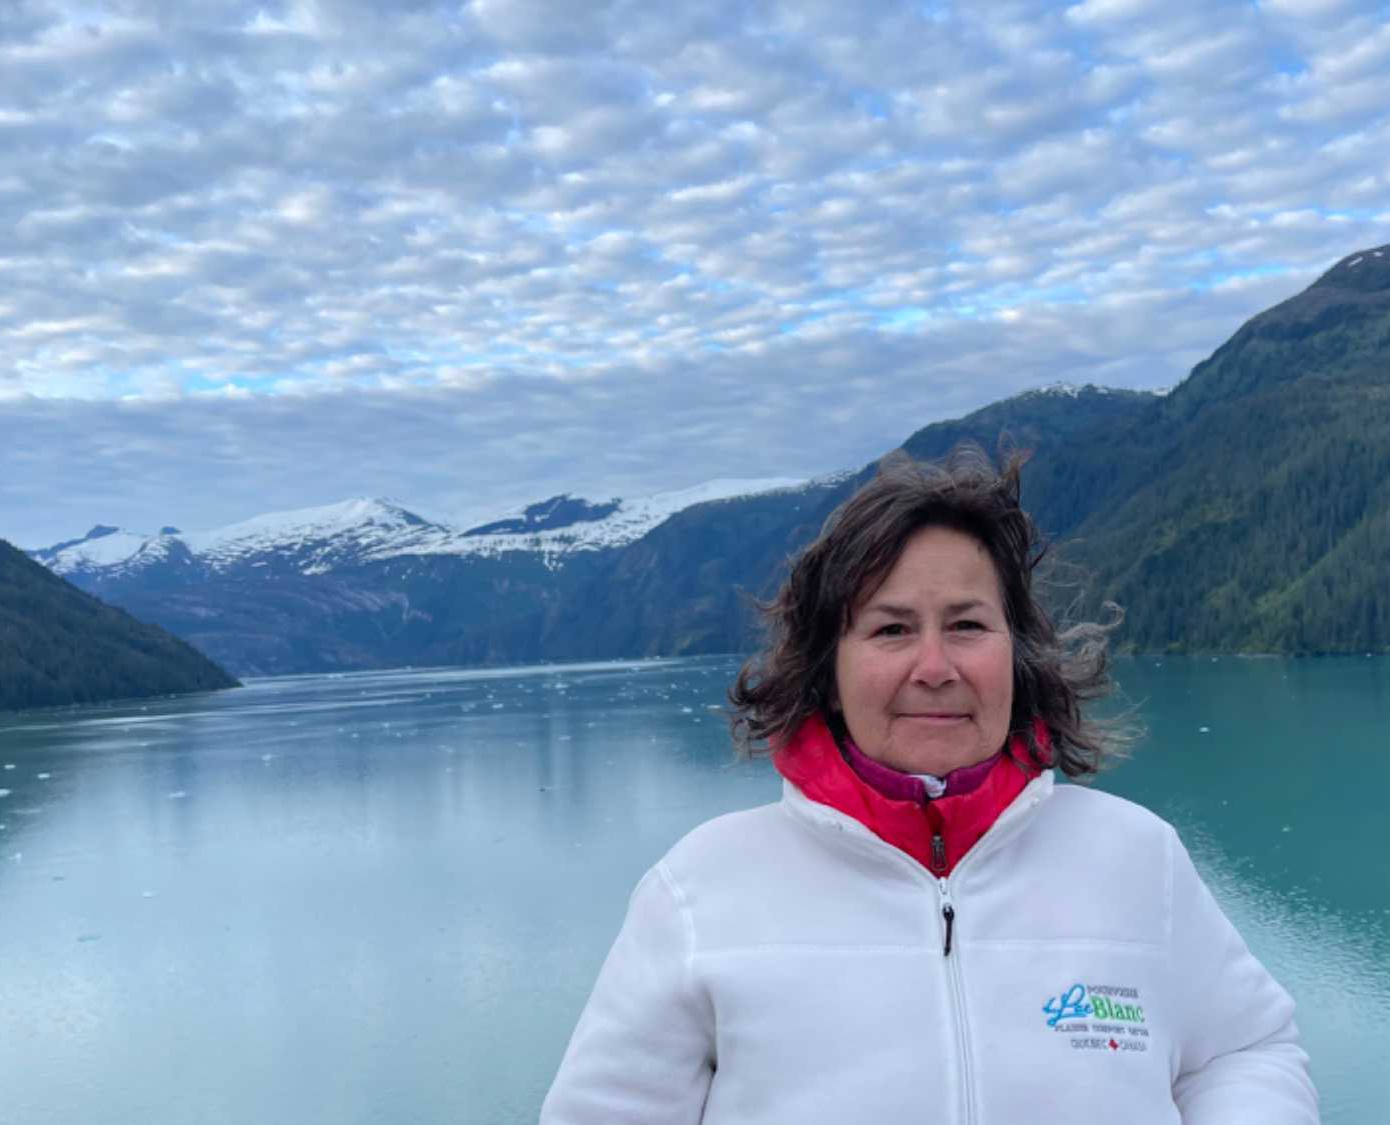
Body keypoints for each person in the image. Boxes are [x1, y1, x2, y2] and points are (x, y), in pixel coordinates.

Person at [541, 446, 1318, 1124]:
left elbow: (1244, 1051)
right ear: (828, 669)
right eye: (892, 628)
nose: (935, 666)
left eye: (968, 624)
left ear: (1017, 651)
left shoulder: (1137, 858)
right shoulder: (698, 893)